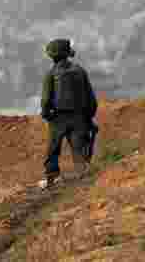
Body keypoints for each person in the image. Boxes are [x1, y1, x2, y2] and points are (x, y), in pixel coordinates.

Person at [40, 38, 98, 188]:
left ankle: (52, 178)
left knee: (53, 149)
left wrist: (47, 115)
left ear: (52, 55)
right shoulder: (80, 71)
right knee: (79, 148)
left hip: (58, 117)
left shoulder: (51, 74)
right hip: (79, 117)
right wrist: (88, 118)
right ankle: (83, 176)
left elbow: (46, 100)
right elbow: (91, 99)